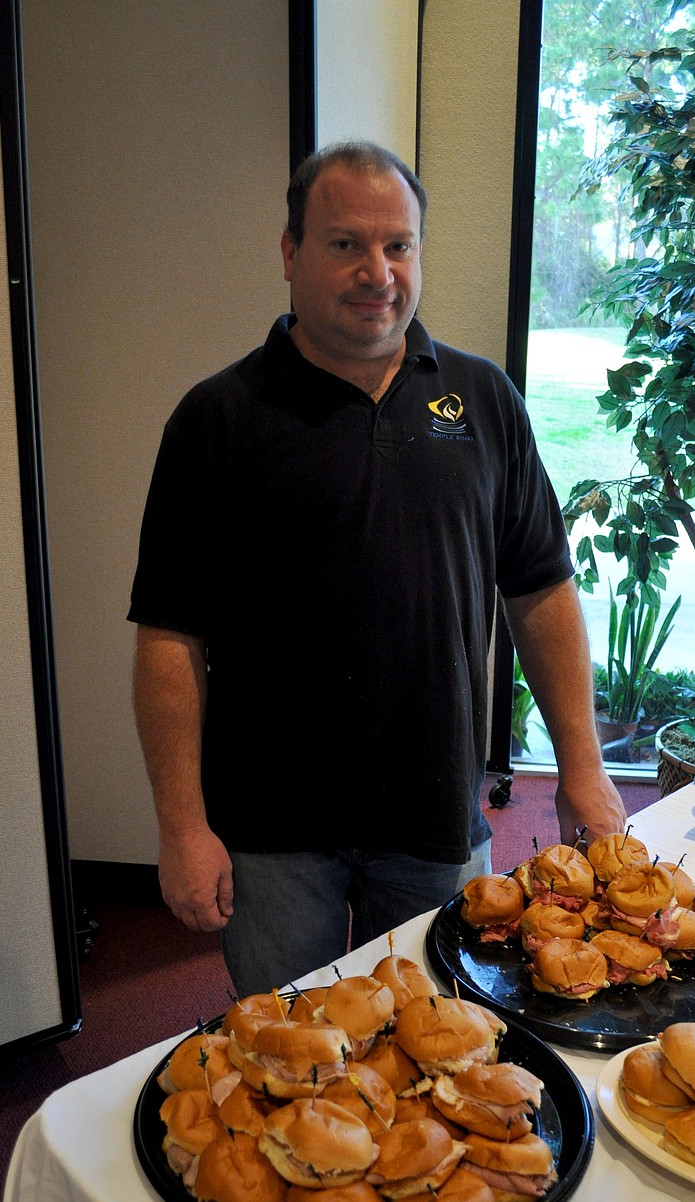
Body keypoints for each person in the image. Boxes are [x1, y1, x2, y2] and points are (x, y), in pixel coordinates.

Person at [128, 140, 626, 995]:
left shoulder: (483, 402)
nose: (377, 271)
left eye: (398, 245)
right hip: (271, 833)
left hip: (435, 817)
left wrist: (580, 764)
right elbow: (170, 636)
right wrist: (182, 825)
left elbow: (540, 588)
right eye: (345, 244)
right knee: (294, 1061)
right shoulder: (217, 420)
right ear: (290, 253)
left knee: (449, 1045)